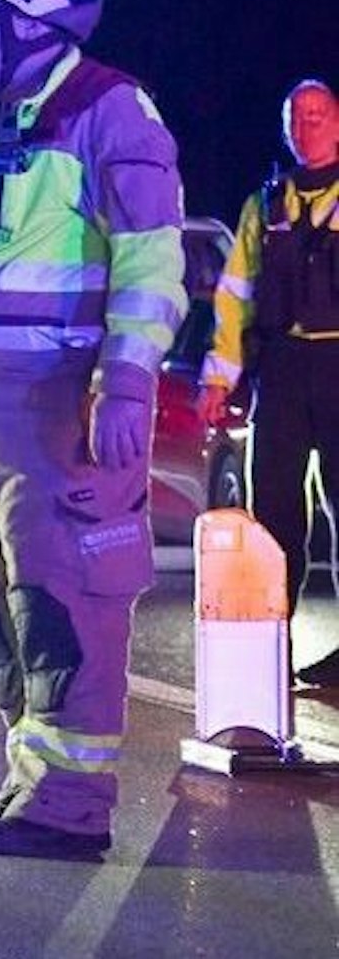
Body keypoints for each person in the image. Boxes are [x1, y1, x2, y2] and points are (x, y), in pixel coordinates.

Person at [0, 0, 187, 860]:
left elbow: (151, 262)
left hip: (59, 406)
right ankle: (31, 782)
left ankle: (69, 805)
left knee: (63, 607)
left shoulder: (108, 111)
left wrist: (127, 381)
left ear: (26, 18)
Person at [197, 80, 339, 687]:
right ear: (285, 130)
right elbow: (234, 296)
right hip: (281, 371)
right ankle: (270, 650)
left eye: (318, 115)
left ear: (338, 124)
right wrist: (218, 379)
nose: (307, 127)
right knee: (274, 515)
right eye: (296, 118)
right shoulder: (265, 204)